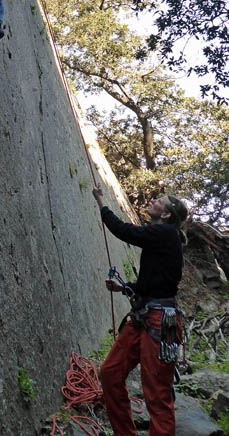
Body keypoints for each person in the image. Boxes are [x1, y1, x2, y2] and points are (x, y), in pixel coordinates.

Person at [92, 187, 188, 436]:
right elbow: (153, 283)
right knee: (111, 373)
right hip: (145, 317)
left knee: (157, 393)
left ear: (166, 215)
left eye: (159, 201)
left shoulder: (166, 233)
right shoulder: (162, 237)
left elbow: (125, 231)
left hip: (163, 322)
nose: (153, 201)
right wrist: (125, 288)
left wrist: (101, 202)